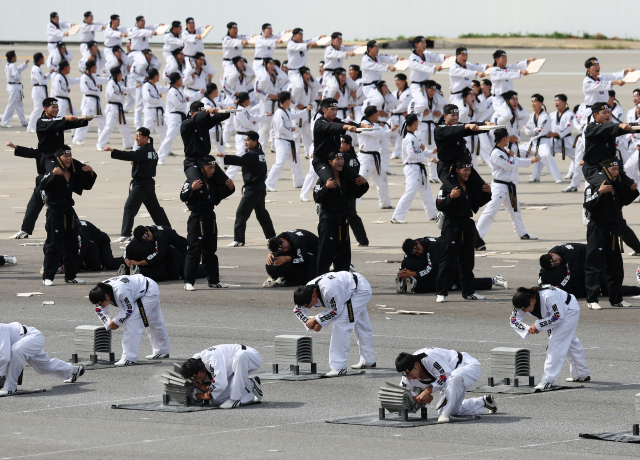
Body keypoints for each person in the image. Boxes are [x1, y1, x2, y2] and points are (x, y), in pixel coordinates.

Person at [293, 271, 375, 375]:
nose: (308, 308)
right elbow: (298, 310)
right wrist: (310, 324)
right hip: (346, 290)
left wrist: (316, 319)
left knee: (342, 323)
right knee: (361, 324)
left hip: (359, 290)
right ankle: (368, 360)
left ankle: (339, 366)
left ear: (313, 295)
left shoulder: (329, 290)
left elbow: (336, 310)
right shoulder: (306, 292)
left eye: (308, 305)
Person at [583, 158, 639, 310]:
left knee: (615, 265)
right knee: (595, 264)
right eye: (613, 170)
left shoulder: (617, 186)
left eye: (617, 170)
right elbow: (587, 205)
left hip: (613, 230)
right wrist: (599, 193)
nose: (616, 173)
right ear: (605, 170)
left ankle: (616, 299)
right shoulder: (594, 186)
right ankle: (592, 298)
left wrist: (632, 191)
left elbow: (622, 203)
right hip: (598, 229)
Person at [510, 286, 590, 389]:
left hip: (569, 310)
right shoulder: (521, 302)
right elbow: (513, 320)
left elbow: (557, 317)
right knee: (570, 341)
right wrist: (527, 329)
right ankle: (581, 373)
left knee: (555, 342)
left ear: (531, 300)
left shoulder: (548, 296)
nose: (525, 311)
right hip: (556, 315)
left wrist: (538, 325)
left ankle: (547, 380)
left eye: (526, 309)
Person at [435, 158, 492, 302]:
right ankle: (441, 292)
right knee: (447, 260)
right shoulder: (447, 186)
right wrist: (450, 197)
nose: (467, 173)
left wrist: (487, 193)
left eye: (469, 170)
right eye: (464, 170)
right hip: (452, 226)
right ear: (457, 170)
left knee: (467, 261)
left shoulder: (470, 186)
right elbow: (439, 204)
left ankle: (468, 291)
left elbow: (476, 205)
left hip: (466, 225)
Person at [40, 146, 97, 285]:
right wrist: (53, 174)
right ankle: (48, 277)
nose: (69, 159)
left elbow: (86, 186)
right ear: (59, 158)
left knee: (72, 244)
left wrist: (91, 173)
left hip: (69, 212)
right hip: (55, 212)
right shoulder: (53, 170)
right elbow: (41, 185)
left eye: (70, 156)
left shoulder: (72, 171)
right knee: (54, 245)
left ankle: (71, 276)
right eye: (65, 156)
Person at [395, 348, 498, 423]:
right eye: (405, 376)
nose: (408, 378)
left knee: (454, 377)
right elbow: (404, 392)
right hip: (450, 380)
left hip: (467, 367)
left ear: (416, 365)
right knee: (451, 410)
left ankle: (445, 415)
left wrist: (427, 391)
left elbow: (445, 376)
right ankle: (483, 402)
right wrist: (418, 398)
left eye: (409, 374)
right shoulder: (407, 375)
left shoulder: (429, 358)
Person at [104, 127, 171, 242]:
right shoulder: (152, 151)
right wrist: (136, 162)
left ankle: (126, 234)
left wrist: (113, 150)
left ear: (146, 138)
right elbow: (142, 161)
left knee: (130, 207)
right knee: (155, 209)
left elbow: (130, 155)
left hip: (141, 184)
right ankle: (168, 231)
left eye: (139, 136)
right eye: (135, 136)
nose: (136, 138)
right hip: (148, 184)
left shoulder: (144, 151)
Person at [89, 274, 171, 366]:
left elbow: (128, 309)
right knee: (154, 320)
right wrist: (108, 323)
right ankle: (162, 350)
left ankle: (129, 357)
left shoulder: (120, 291)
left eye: (100, 303)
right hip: (138, 289)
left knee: (133, 321)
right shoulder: (100, 293)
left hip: (148, 291)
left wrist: (116, 322)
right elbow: (99, 309)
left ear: (107, 296)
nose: (100, 306)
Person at [180, 155, 235, 291]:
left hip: (210, 217)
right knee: (194, 249)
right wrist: (192, 189)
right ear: (202, 168)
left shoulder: (213, 183)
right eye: (209, 167)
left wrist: (230, 189)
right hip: (197, 217)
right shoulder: (193, 181)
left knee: (210, 249)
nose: (212, 170)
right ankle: (188, 282)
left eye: (214, 168)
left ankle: (213, 280)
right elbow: (183, 196)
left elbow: (217, 197)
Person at [476, 128, 539, 240]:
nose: (510, 138)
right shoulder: (496, 153)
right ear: (504, 138)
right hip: (499, 187)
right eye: (508, 136)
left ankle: (521, 233)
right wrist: (511, 156)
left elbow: (516, 161)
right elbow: (509, 165)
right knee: (490, 212)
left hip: (508, 187)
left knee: (515, 210)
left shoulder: (505, 150)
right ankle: (476, 237)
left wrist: (530, 161)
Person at [217, 131, 276, 247]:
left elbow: (241, 160)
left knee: (241, 213)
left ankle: (238, 240)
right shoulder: (260, 153)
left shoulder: (252, 154)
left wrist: (225, 157)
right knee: (261, 214)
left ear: (255, 142)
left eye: (248, 140)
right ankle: (271, 236)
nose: (246, 142)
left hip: (253, 189)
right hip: (260, 188)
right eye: (245, 140)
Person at [314, 150, 369, 276]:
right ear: (330, 162)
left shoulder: (345, 179)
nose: (340, 162)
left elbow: (353, 195)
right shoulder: (324, 180)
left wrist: (363, 185)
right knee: (326, 252)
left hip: (342, 221)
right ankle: (321, 279)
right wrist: (326, 188)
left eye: (342, 159)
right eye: (337, 159)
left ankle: (342, 278)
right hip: (328, 220)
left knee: (344, 252)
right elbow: (317, 197)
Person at [396, 236, 507, 294]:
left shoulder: (432, 246)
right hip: (439, 267)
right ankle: (406, 282)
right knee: (410, 263)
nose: (419, 252)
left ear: (418, 242)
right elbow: (406, 259)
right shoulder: (413, 248)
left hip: (453, 266)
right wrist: (402, 271)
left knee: (456, 284)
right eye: (416, 253)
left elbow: (431, 268)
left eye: (419, 250)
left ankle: (494, 280)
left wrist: (414, 274)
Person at [0, 322, 84, 396]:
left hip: (33, 337)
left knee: (17, 350)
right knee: (43, 367)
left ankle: (10, 387)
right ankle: (75, 370)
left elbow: (4, 357)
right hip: (24, 341)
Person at [539, 242, 640, 298]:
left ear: (552, 254)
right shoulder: (551, 256)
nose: (557, 263)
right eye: (554, 264)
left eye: (556, 261)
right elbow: (543, 270)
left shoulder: (568, 254)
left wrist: (559, 287)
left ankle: (637, 290)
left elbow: (571, 275)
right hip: (587, 265)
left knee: (608, 291)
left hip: (601, 260)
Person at [178, 344, 263, 408]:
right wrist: (199, 386)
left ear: (201, 368)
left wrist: (198, 395)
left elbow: (219, 385)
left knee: (240, 357)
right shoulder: (194, 363)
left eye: (199, 377)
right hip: (231, 370)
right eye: (197, 380)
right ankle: (251, 385)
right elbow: (210, 389)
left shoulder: (212, 360)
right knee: (218, 401)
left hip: (250, 356)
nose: (199, 380)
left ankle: (235, 399)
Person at [391, 113, 437, 224]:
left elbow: (421, 152)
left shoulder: (414, 137)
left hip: (417, 168)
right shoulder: (409, 138)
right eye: (417, 122)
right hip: (412, 168)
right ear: (415, 123)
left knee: (426, 191)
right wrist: (422, 151)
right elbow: (412, 154)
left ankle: (432, 215)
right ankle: (397, 216)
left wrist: (432, 152)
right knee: (410, 192)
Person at [180, 101, 231, 184]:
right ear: (192, 113)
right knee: (198, 184)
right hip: (192, 161)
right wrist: (206, 111)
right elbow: (196, 119)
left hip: (206, 160)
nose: (202, 117)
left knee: (226, 183)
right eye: (199, 113)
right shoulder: (186, 125)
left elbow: (216, 118)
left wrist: (227, 111)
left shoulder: (204, 124)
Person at [357, 106, 396, 209]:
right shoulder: (363, 125)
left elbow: (380, 135)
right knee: (360, 183)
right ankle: (351, 206)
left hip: (375, 158)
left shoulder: (374, 125)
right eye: (377, 114)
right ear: (373, 115)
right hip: (365, 158)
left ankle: (385, 204)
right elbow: (375, 132)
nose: (378, 116)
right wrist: (381, 126)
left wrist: (391, 130)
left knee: (382, 180)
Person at [265, 91, 305, 191]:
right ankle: (269, 184)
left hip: (289, 141)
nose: (291, 101)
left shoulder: (286, 111)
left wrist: (306, 110)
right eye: (290, 99)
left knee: (295, 163)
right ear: (287, 100)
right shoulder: (279, 113)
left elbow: (295, 115)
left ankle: (299, 182)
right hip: (282, 142)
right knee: (279, 163)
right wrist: (291, 129)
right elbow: (280, 128)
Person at [521, 94, 563, 183]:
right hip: (532, 142)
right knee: (516, 152)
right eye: (532, 102)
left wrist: (532, 131)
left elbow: (541, 131)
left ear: (541, 103)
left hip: (544, 142)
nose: (533, 104)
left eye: (535, 102)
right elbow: (526, 129)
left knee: (545, 155)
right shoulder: (530, 116)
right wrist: (533, 131)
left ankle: (557, 177)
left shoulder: (545, 116)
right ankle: (535, 176)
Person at [124, 225, 189, 282]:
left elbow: (158, 255)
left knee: (185, 273)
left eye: (149, 236)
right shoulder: (141, 232)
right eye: (146, 240)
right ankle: (128, 271)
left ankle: (196, 267)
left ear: (148, 230)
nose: (150, 239)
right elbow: (129, 247)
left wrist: (138, 263)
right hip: (166, 250)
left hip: (178, 249)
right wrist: (127, 259)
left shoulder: (160, 235)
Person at [96, 66, 138, 151]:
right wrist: (120, 93)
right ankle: (100, 144)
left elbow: (125, 89)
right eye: (121, 74)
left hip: (118, 108)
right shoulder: (111, 83)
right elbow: (112, 95)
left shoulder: (117, 84)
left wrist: (136, 87)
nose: (122, 75)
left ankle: (127, 144)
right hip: (112, 108)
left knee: (125, 126)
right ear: (118, 74)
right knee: (109, 127)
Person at [490, 50, 536, 124]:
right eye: (503, 58)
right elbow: (506, 73)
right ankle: (496, 126)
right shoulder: (494, 70)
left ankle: (514, 131)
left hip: (510, 98)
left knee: (526, 116)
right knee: (507, 116)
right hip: (499, 99)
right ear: (496, 59)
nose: (505, 60)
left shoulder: (507, 67)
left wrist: (527, 61)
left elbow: (516, 66)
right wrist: (520, 72)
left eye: (506, 57)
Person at [339, 135, 369, 246]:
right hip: (351, 190)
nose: (339, 145)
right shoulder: (352, 155)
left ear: (348, 145)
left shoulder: (344, 157)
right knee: (351, 215)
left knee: (348, 216)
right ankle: (362, 240)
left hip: (347, 191)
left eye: (341, 143)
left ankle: (361, 240)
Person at [71, 60, 108, 146]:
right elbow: (87, 89)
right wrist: (96, 88)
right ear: (91, 67)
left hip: (96, 104)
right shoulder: (84, 77)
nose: (96, 68)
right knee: (85, 121)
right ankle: (76, 139)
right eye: (95, 66)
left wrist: (112, 79)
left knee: (103, 120)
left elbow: (102, 80)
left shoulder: (94, 76)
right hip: (88, 103)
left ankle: (102, 139)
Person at [255, 58, 289, 148]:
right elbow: (257, 91)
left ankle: (275, 146)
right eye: (270, 64)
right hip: (266, 103)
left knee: (276, 125)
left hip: (276, 104)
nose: (273, 66)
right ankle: (260, 147)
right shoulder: (262, 77)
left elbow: (285, 78)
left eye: (273, 64)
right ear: (265, 65)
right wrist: (270, 95)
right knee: (264, 127)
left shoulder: (276, 76)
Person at [547, 94, 578, 190]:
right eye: (555, 101)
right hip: (553, 141)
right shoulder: (551, 114)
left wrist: (556, 133)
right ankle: (535, 176)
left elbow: (568, 128)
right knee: (543, 154)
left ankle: (587, 172)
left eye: (558, 101)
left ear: (564, 102)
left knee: (578, 158)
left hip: (566, 141)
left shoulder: (570, 115)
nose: (556, 103)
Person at [156, 72, 188, 164]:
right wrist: (184, 101)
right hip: (174, 118)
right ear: (177, 80)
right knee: (169, 137)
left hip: (181, 118)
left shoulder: (178, 91)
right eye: (181, 79)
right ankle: (160, 158)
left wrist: (184, 100)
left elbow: (184, 101)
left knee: (189, 136)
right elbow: (178, 104)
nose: (182, 81)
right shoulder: (172, 91)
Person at [287, 28, 322, 102]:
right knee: (299, 86)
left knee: (317, 86)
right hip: (294, 72)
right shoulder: (291, 44)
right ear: (294, 35)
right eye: (299, 35)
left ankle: (310, 101)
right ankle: (293, 103)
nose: (301, 36)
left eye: (302, 35)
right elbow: (300, 46)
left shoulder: (303, 42)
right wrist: (310, 45)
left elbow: (311, 40)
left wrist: (319, 38)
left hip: (304, 71)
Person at [1, 51, 29, 128]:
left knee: (19, 105)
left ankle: (23, 122)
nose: (16, 57)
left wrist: (24, 64)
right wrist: (20, 76)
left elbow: (18, 69)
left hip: (14, 87)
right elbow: (16, 75)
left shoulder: (8, 65)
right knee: (11, 105)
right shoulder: (12, 66)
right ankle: (4, 122)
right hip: (14, 88)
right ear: (13, 57)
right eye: (15, 56)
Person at [26, 53, 50, 133]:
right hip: (38, 90)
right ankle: (30, 126)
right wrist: (45, 80)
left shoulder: (37, 68)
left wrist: (49, 74)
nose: (44, 59)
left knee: (40, 109)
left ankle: (34, 125)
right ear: (40, 59)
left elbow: (43, 78)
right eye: (43, 58)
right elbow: (42, 81)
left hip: (40, 90)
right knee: (37, 109)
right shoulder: (36, 69)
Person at [390, 73, 412, 159]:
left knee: (401, 135)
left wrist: (393, 110)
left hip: (403, 117)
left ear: (404, 81)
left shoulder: (408, 92)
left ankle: (396, 153)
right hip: (394, 117)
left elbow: (403, 106)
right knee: (391, 134)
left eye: (398, 80)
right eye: (395, 81)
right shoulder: (394, 92)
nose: (396, 82)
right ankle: (400, 149)